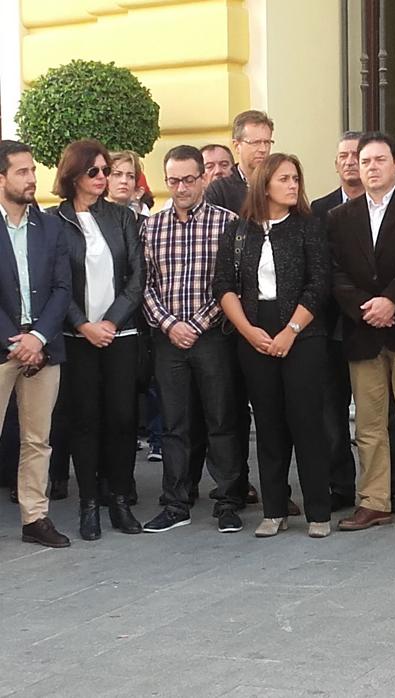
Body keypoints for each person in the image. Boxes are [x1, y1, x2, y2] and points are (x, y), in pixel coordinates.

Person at [214, 153, 333, 538]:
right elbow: (225, 286)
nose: (293, 185)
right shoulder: (240, 231)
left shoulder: (307, 226)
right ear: (264, 184)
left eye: (296, 178)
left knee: (306, 422)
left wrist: (291, 331)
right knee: (267, 424)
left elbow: (319, 284)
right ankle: (274, 509)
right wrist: (248, 331)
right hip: (254, 332)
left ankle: (318, 512)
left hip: (302, 333)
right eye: (285, 179)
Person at [327, 131, 395, 533]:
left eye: (378, 160)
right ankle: (373, 501)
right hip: (363, 333)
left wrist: (392, 301)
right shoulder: (340, 217)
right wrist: (367, 309)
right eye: (364, 161)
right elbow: (335, 273)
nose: (371, 168)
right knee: (369, 424)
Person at [140, 145, 247, 534]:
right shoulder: (151, 226)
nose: (181, 188)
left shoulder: (227, 223)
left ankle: (229, 500)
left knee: (222, 419)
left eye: (188, 179)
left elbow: (233, 285)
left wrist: (197, 324)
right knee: (175, 423)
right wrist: (169, 324)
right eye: (173, 181)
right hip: (168, 339)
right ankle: (175, 502)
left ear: (203, 178)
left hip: (213, 336)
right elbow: (145, 286)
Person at [49, 139, 145, 540]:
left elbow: (137, 276)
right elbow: (55, 283)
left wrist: (109, 321)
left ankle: (119, 501)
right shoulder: (54, 222)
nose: (104, 178)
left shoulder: (122, 218)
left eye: (107, 171)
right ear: (73, 175)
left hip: (121, 334)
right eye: (96, 172)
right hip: (77, 337)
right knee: (85, 421)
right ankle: (89, 504)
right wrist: (83, 324)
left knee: (123, 418)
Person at [0, 140, 73, 548]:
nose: (32, 179)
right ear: (2, 179)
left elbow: (63, 288)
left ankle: (35, 517)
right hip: (5, 345)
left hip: (43, 345)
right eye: (22, 172)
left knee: (37, 438)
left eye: (33, 170)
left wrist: (39, 336)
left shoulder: (49, 226)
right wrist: (16, 340)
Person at [204, 110, 275, 511]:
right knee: (229, 410)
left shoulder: (276, 183)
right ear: (237, 145)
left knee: (269, 410)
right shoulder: (220, 191)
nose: (262, 150)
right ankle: (234, 485)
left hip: (271, 318)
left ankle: (273, 487)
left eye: (268, 142)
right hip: (231, 321)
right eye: (255, 142)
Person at [310, 131, 364, 512]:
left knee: (380, 416)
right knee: (331, 412)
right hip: (331, 327)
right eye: (343, 155)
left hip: (378, 324)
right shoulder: (319, 208)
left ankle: (387, 487)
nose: (349, 162)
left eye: (356, 155)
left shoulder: (394, 206)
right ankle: (340, 485)